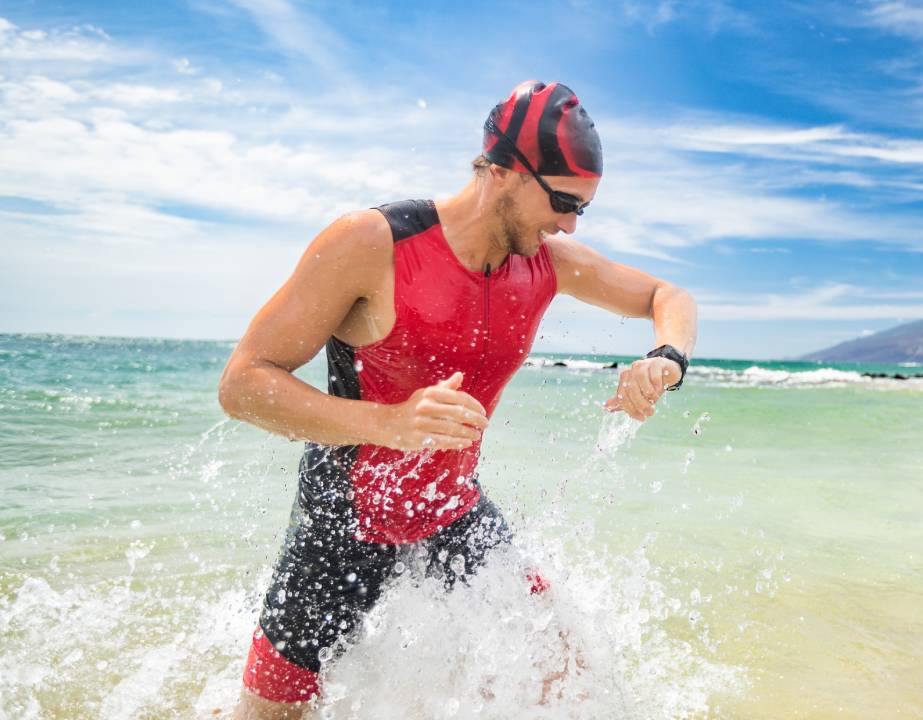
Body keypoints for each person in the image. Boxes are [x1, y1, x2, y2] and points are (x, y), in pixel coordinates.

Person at [217, 80, 697, 719]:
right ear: (502, 172)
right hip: (342, 528)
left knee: (568, 673)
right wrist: (388, 423)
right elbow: (244, 383)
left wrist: (665, 359)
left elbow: (668, 296)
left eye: (583, 207)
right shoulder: (373, 243)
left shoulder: (547, 263)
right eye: (561, 200)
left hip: (452, 512)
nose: (570, 222)